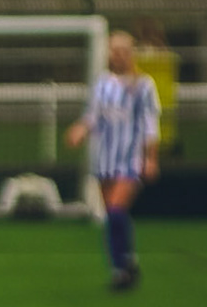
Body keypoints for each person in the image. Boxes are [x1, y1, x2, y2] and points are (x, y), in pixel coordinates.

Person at [66, 29, 161, 290]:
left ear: (131, 53)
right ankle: (126, 262)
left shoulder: (144, 86)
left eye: (123, 51)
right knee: (111, 216)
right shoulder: (102, 83)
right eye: (114, 51)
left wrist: (151, 158)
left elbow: (150, 125)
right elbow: (92, 116)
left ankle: (121, 269)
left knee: (118, 212)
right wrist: (80, 130)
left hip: (130, 160)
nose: (118, 55)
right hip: (105, 159)